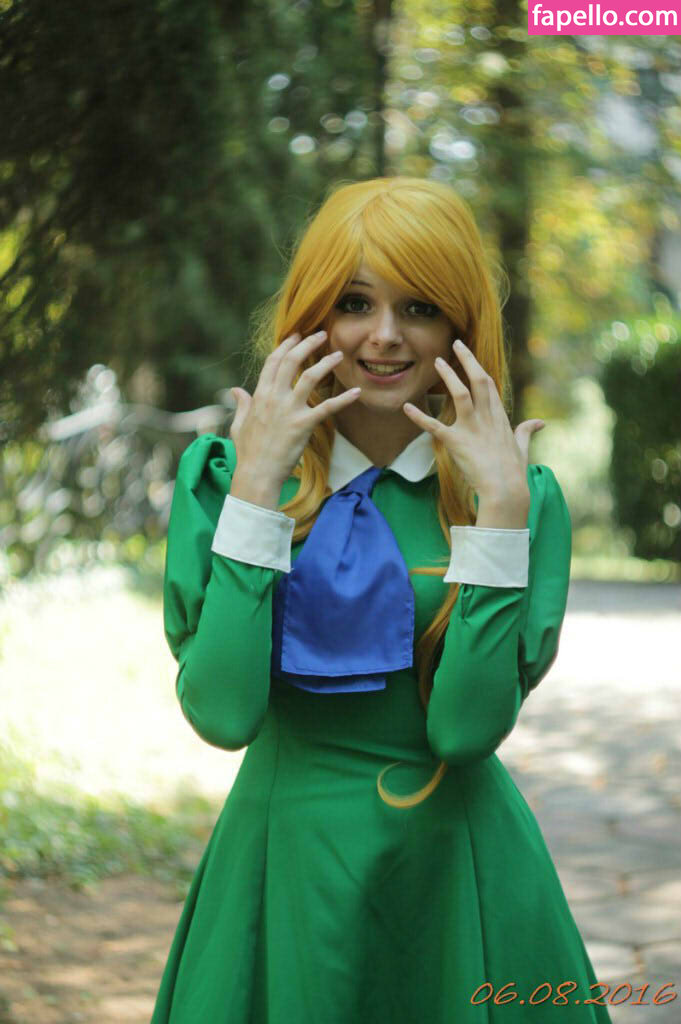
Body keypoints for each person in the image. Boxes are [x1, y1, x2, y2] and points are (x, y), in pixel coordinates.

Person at [151, 176, 612, 1023]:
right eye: (355, 302)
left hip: (458, 870)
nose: (385, 335)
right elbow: (221, 713)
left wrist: (496, 518)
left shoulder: (516, 497)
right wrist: (256, 492)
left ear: (459, 329)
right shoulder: (225, 481)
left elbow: (464, 731)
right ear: (312, 316)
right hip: (281, 864)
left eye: (420, 308)